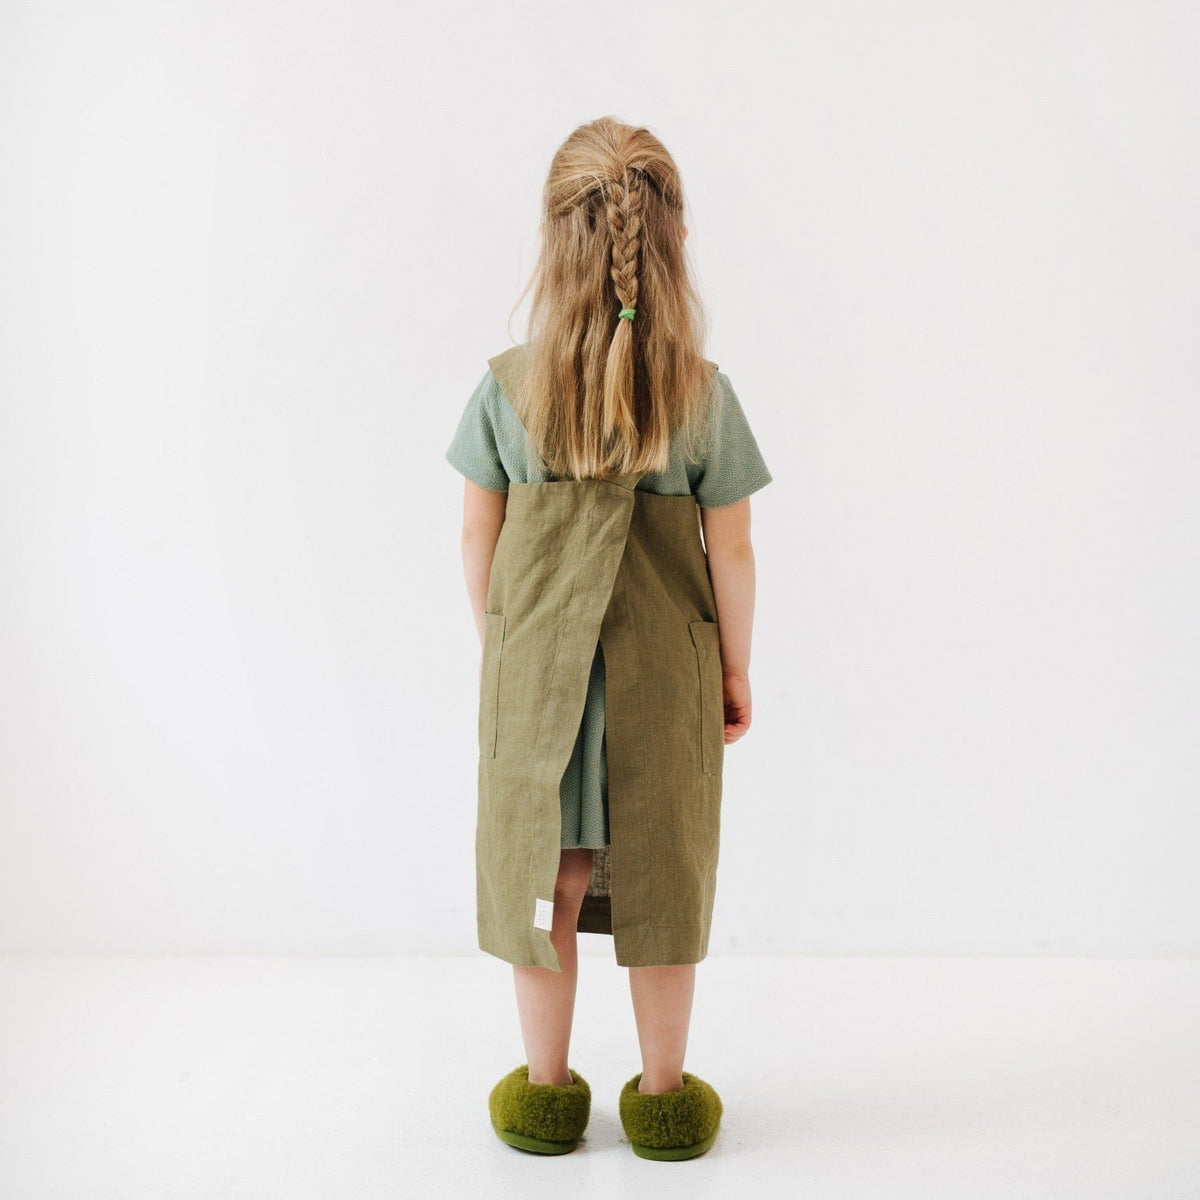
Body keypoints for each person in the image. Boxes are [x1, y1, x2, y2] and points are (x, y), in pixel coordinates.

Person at [445, 116, 772, 1160]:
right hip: (659, 682)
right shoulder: (698, 393)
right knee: (664, 879)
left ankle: (545, 1092)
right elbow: (735, 552)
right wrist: (733, 666)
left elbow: (476, 529)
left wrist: (505, 649)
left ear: (556, 240)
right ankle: (665, 1098)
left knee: (555, 875)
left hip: (541, 684)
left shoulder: (508, 387)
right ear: (667, 242)